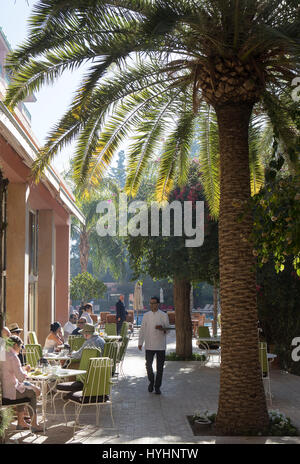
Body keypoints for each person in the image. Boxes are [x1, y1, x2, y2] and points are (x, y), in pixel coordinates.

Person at [1, 335, 43, 432]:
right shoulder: (13, 357)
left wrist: (22, 370)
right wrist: (27, 370)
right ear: (15, 345)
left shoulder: (3, 355)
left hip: (4, 391)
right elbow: (20, 378)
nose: (21, 349)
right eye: (21, 346)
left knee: (23, 390)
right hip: (10, 392)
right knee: (32, 393)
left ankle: (21, 422)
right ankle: (34, 424)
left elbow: (11, 372)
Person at [138, 296, 170, 395]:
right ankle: (151, 381)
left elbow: (168, 330)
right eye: (150, 303)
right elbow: (142, 329)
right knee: (148, 365)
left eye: (154, 303)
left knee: (160, 368)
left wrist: (163, 329)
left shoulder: (163, 315)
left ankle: (157, 387)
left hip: (160, 345)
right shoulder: (146, 315)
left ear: (158, 304)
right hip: (149, 344)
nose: (152, 305)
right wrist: (140, 342)